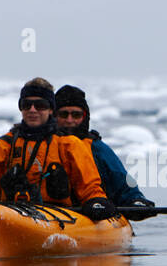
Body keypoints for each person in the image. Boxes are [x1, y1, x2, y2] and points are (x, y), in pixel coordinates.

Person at [0, 77, 117, 220]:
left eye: (40, 105)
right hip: (11, 213)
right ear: (21, 108)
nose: (32, 110)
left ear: (51, 109)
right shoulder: (4, 145)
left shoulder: (69, 145)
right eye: (26, 105)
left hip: (59, 215)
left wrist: (96, 201)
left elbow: (89, 187)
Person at [54, 85, 156, 218]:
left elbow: (121, 180)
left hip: (94, 211)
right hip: (51, 212)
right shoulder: (44, 145)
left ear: (85, 117)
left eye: (76, 115)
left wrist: (135, 201)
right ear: (54, 115)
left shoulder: (97, 148)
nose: (69, 120)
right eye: (63, 114)